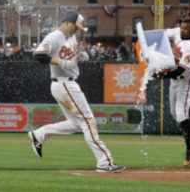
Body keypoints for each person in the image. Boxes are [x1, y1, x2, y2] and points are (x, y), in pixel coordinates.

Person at [28, 12, 125, 173]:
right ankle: (104, 163)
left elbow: (68, 55)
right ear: (67, 22)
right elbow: (38, 55)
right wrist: (59, 61)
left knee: (75, 124)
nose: (77, 31)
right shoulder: (55, 36)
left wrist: (78, 55)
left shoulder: (70, 37)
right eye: (75, 27)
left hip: (67, 83)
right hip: (64, 84)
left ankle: (39, 134)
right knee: (88, 120)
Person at [154, 18, 190, 167]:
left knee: (182, 114)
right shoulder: (177, 32)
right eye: (182, 28)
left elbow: (180, 70)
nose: (182, 31)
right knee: (175, 114)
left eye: (186, 29)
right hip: (174, 81)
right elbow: (162, 35)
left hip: (186, 81)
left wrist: (161, 75)